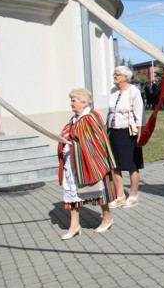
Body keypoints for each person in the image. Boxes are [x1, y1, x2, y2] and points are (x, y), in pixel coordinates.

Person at [57, 88, 118, 240]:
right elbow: (71, 133)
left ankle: (107, 218)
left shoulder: (91, 117)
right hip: (74, 162)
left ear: (84, 102)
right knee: (73, 193)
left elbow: (98, 139)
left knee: (99, 189)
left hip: (92, 161)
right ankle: (74, 225)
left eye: (74, 100)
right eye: (71, 100)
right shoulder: (74, 119)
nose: (71, 103)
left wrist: (73, 139)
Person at [107, 66, 144, 209]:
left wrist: (140, 136)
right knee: (114, 165)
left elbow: (139, 115)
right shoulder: (113, 92)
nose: (114, 76)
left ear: (125, 77)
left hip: (129, 133)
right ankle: (120, 195)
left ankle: (134, 195)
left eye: (117, 74)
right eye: (114, 74)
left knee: (131, 164)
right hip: (114, 131)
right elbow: (111, 112)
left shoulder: (134, 92)